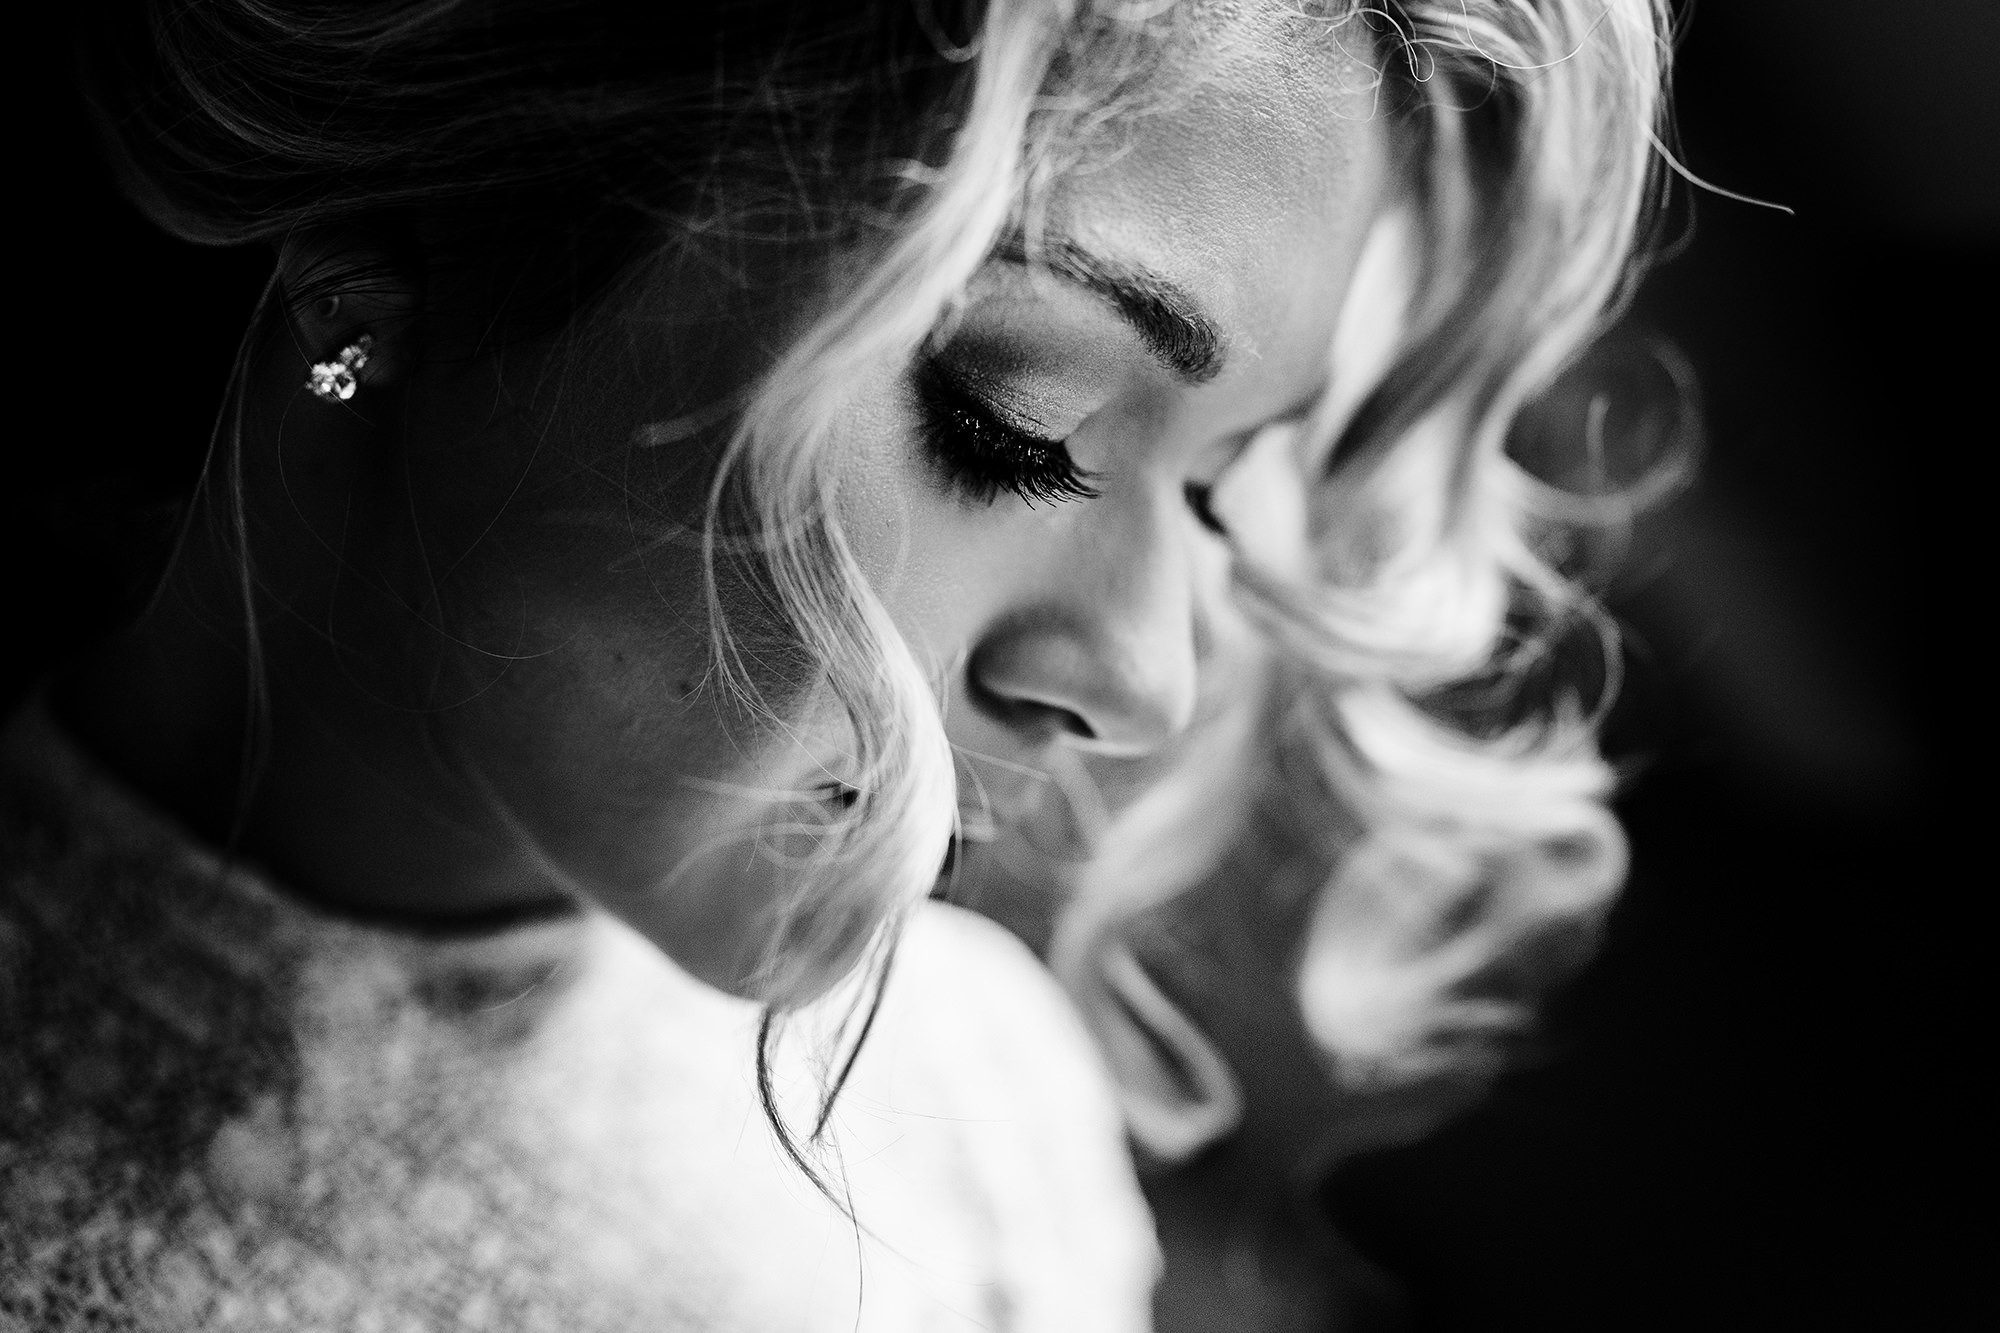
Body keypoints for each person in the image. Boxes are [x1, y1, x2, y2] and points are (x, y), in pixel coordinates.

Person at [0, 0, 1670, 1328]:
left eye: (1221, 491)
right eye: (1017, 420)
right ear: (410, 230)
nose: (1147, 677)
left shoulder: (979, 1124)